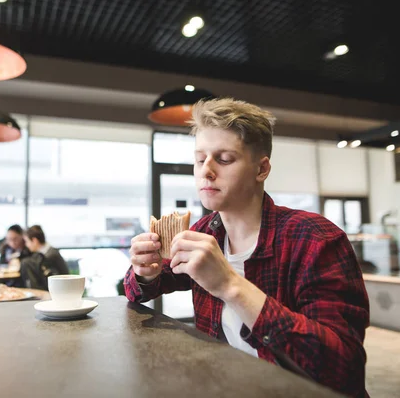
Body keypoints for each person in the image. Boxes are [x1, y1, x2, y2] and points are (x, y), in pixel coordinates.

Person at [124, 98, 370, 397]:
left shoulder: (316, 239)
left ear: (261, 169)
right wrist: (145, 271)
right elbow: (138, 290)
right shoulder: (202, 232)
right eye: (200, 159)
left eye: (224, 159)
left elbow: (342, 367)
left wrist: (229, 284)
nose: (207, 171)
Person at [10, 225, 69, 290]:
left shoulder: (49, 256)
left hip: (60, 292)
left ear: (34, 241)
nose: (26, 245)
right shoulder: (45, 252)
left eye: (27, 241)